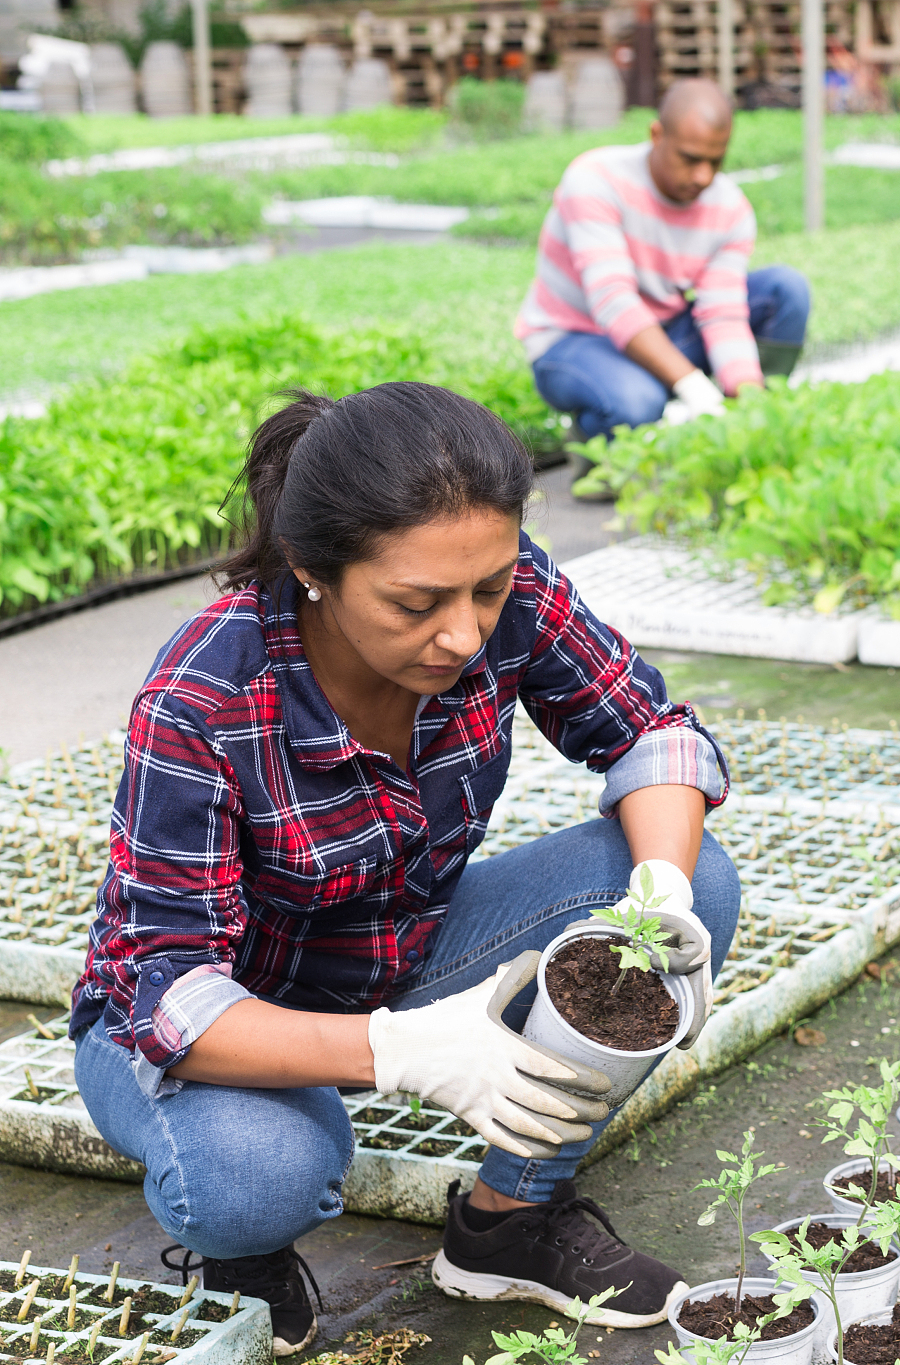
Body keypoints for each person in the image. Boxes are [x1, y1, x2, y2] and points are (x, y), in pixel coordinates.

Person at [70, 382, 740, 1356]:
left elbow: (650, 734)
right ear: (313, 570)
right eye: (415, 604)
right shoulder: (206, 700)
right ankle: (247, 1250)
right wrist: (399, 1050)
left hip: (404, 956)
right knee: (253, 1176)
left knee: (692, 880)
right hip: (220, 1027)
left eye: (488, 591)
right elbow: (167, 998)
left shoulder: (506, 588)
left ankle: (510, 1222)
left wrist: (663, 895)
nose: (463, 633)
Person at [519, 77, 810, 445]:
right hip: (574, 340)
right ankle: (591, 448)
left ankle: (755, 428)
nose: (703, 176)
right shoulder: (596, 180)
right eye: (690, 159)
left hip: (663, 330)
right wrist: (693, 386)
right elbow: (613, 302)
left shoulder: (729, 209)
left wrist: (746, 396)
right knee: (637, 401)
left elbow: (723, 313)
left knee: (786, 290)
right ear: (657, 135)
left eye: (715, 161)